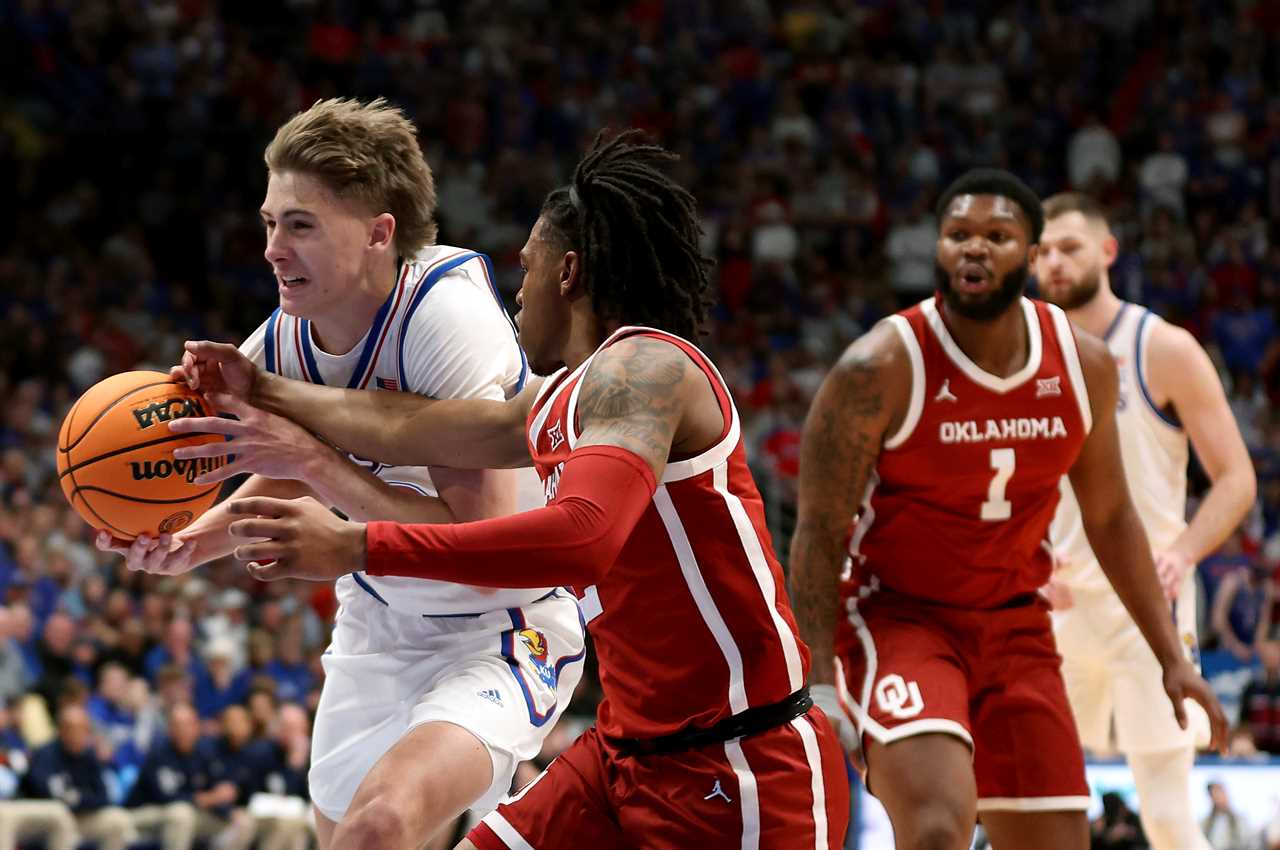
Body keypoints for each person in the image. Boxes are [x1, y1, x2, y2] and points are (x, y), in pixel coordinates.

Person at [168, 130, 850, 849]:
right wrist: (269, 389)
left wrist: (357, 543)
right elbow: (410, 428)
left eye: (527, 268)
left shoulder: (645, 369)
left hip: (738, 762)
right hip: (624, 756)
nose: (516, 291)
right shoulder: (555, 402)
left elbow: (580, 540)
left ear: (568, 272)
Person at [99, 97, 585, 850]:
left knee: (381, 825)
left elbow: (483, 547)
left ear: (378, 234)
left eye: (301, 225)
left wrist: (310, 461)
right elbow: (286, 473)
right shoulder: (285, 336)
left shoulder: (442, 317)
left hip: (502, 624)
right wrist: (193, 540)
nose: (272, 249)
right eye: (269, 223)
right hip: (377, 629)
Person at [786, 168, 1226, 850]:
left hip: (1018, 625)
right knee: (937, 828)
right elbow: (818, 532)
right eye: (958, 234)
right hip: (902, 619)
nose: (975, 248)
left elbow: (1111, 518)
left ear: (1029, 252)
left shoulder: (1083, 363)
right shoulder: (878, 368)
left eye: (997, 235)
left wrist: (1171, 656)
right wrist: (813, 683)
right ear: (936, 250)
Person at [1035, 191, 1257, 850]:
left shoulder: (1163, 347)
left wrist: (1186, 552)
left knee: (1163, 812)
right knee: (1042, 802)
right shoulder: (1021, 353)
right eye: (1042, 251)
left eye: (1069, 247)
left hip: (1149, 606)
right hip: (1056, 599)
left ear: (1107, 251)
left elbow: (1237, 478)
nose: (1053, 262)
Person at [127, 701, 255, 850]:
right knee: (180, 814)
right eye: (177, 725)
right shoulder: (158, 753)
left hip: (190, 812)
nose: (183, 730)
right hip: (146, 812)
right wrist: (207, 798)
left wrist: (227, 810)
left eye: (188, 724)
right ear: (170, 729)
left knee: (242, 822)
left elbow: (214, 789)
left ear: (197, 727)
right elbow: (166, 798)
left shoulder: (203, 753)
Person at [19, 704, 137, 850]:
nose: (80, 735)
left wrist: (79, 798)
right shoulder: (45, 754)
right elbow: (45, 794)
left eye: (84, 730)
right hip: (47, 821)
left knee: (118, 819)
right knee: (60, 817)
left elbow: (103, 797)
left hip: (81, 816)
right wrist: (78, 798)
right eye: (74, 730)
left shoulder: (89, 756)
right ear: (61, 731)